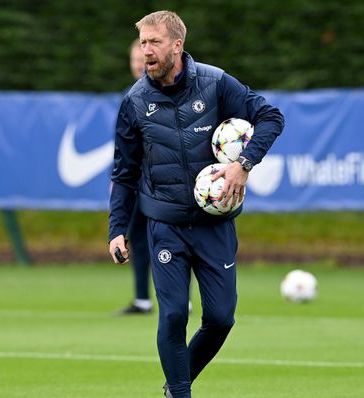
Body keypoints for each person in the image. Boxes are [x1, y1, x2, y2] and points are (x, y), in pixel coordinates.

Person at [108, 10, 284, 398]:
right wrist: (117, 229)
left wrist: (243, 164)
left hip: (214, 223)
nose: (146, 51)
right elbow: (123, 173)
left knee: (220, 319)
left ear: (177, 45)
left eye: (154, 43)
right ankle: (180, 393)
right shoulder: (134, 103)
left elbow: (271, 117)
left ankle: (175, 385)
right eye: (143, 44)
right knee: (172, 315)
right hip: (164, 224)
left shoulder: (216, 83)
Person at [115, 38, 153, 315]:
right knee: (136, 238)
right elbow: (123, 151)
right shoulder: (130, 97)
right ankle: (142, 299)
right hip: (135, 183)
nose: (139, 64)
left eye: (142, 58)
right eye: (135, 60)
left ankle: (182, 301)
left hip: (162, 182)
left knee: (174, 239)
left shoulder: (167, 94)